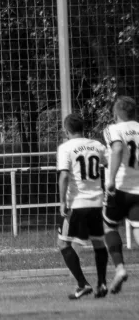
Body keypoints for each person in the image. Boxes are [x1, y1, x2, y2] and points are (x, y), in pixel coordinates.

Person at [57, 113, 109, 299]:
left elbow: (64, 175)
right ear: (83, 128)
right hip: (96, 201)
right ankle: (102, 283)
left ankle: (83, 284)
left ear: (66, 130)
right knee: (98, 242)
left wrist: (63, 202)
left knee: (63, 243)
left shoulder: (66, 148)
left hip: (77, 203)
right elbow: (106, 162)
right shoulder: (97, 145)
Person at [102, 96, 139, 294]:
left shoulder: (113, 130)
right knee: (137, 227)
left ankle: (120, 268)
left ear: (116, 114)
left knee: (109, 225)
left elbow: (117, 148)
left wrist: (111, 180)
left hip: (120, 188)